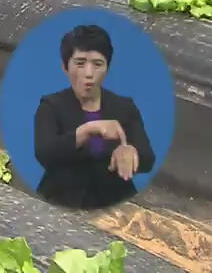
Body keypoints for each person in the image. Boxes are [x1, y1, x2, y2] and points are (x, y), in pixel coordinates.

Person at [34, 24, 155, 209]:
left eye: (97, 64)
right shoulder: (51, 106)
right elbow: (45, 153)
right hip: (60, 202)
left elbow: (148, 159)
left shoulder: (124, 107)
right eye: (80, 63)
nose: (89, 74)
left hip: (115, 205)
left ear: (107, 68)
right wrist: (87, 130)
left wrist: (131, 151)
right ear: (65, 67)